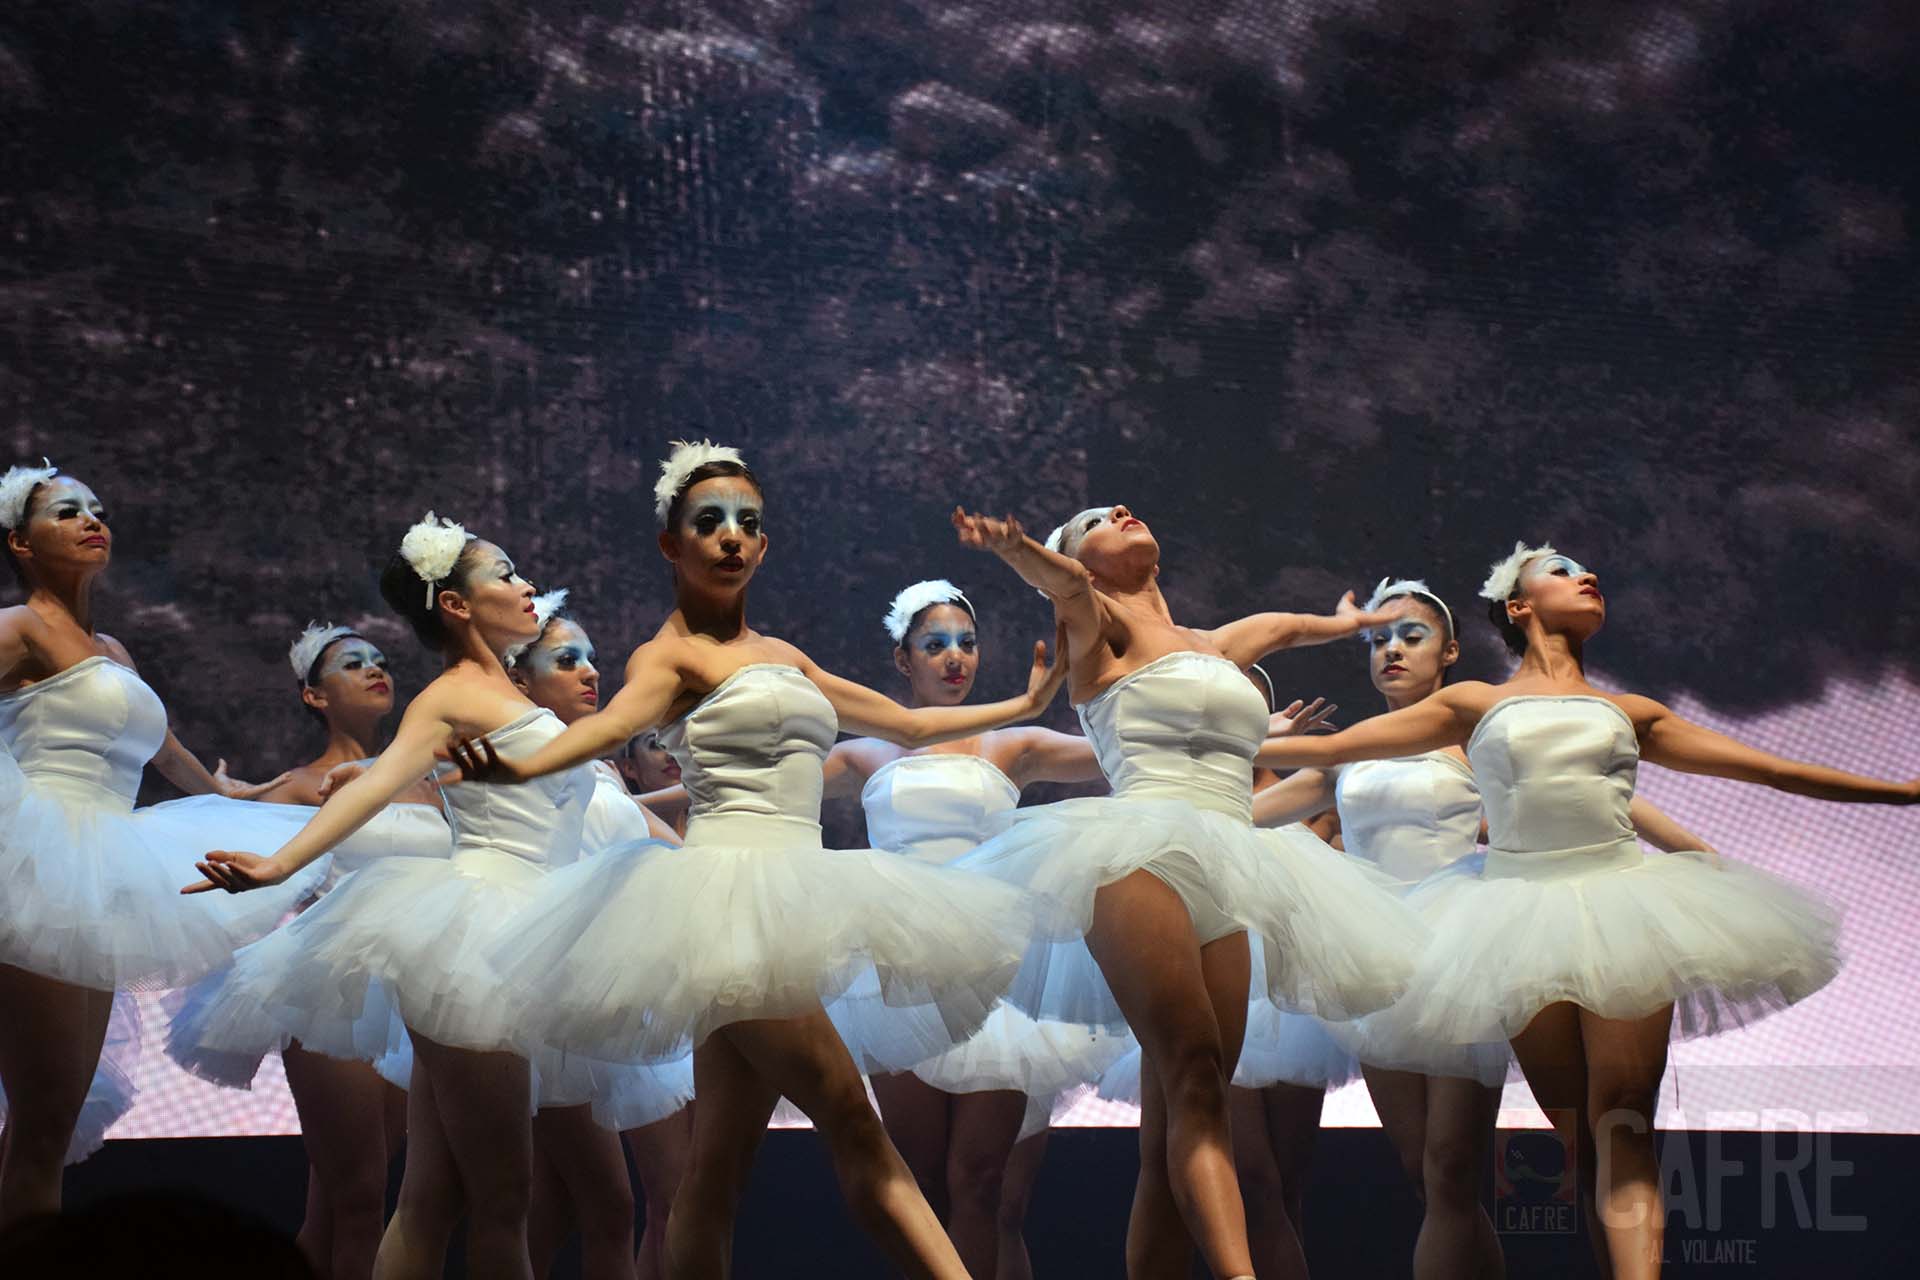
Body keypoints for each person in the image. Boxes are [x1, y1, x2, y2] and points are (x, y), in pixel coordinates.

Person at [447, 441, 1066, 1279]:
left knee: (713, 1175)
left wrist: (1028, 701)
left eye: (747, 522)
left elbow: (909, 724)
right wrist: (521, 765)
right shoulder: (669, 657)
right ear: (672, 545)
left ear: (765, 545)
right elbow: (612, 726)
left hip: (790, 900)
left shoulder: (785, 657)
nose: (731, 536)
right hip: (726, 905)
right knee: (852, 1122)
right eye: (709, 522)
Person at [1253, 543, 1916, 1278]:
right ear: (1518, 606)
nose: (1586, 577)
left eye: (1584, 571)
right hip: (1505, 924)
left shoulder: (1626, 713)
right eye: (1562, 571)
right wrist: (1250, 738)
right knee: (1573, 1144)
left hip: (1611, 905)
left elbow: (1766, 769)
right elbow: (1339, 753)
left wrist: (1904, 791)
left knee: (1618, 1123)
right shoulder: (1472, 708)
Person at [945, 503, 1424, 1280]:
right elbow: (1063, 585)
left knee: (1188, 1108)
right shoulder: (1097, 625)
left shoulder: (1216, 644)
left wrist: (1348, 624)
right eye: (1096, 520)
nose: (1120, 511)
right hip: (1136, 852)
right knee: (1195, 1065)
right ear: (1082, 561)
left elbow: (1284, 628)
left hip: (1228, 860)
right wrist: (1016, 547)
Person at [0, 459, 311, 1224]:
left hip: (99, 869)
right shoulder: (19, 628)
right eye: (66, 511)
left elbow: (167, 754)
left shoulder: (111, 650)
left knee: (53, 1120)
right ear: (20, 543)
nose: (92, 520)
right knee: (40, 1117)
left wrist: (243, 798)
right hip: (38, 862)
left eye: (97, 509)